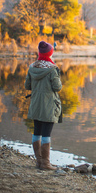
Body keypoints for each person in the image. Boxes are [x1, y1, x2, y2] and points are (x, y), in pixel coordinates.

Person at [25, 41, 62, 170]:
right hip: (48, 106)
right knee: (46, 134)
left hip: (35, 104)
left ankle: (39, 162)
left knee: (37, 132)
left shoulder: (32, 67)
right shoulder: (52, 69)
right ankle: (46, 164)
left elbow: (27, 86)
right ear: (50, 54)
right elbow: (57, 87)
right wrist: (56, 71)